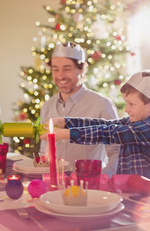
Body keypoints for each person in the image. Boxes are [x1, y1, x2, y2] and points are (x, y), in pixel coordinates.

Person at [41, 70, 150, 181]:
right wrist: (65, 122)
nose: (126, 109)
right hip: (129, 191)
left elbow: (108, 133)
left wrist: (66, 134)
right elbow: (103, 124)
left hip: (148, 198)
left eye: (131, 104)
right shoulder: (132, 122)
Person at [39, 42, 120, 177]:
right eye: (55, 69)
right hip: (54, 184)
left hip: (90, 185)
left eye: (67, 68)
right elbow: (44, 150)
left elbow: (116, 151)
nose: (60, 76)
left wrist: (105, 177)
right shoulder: (47, 106)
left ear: (81, 69)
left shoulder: (102, 104)